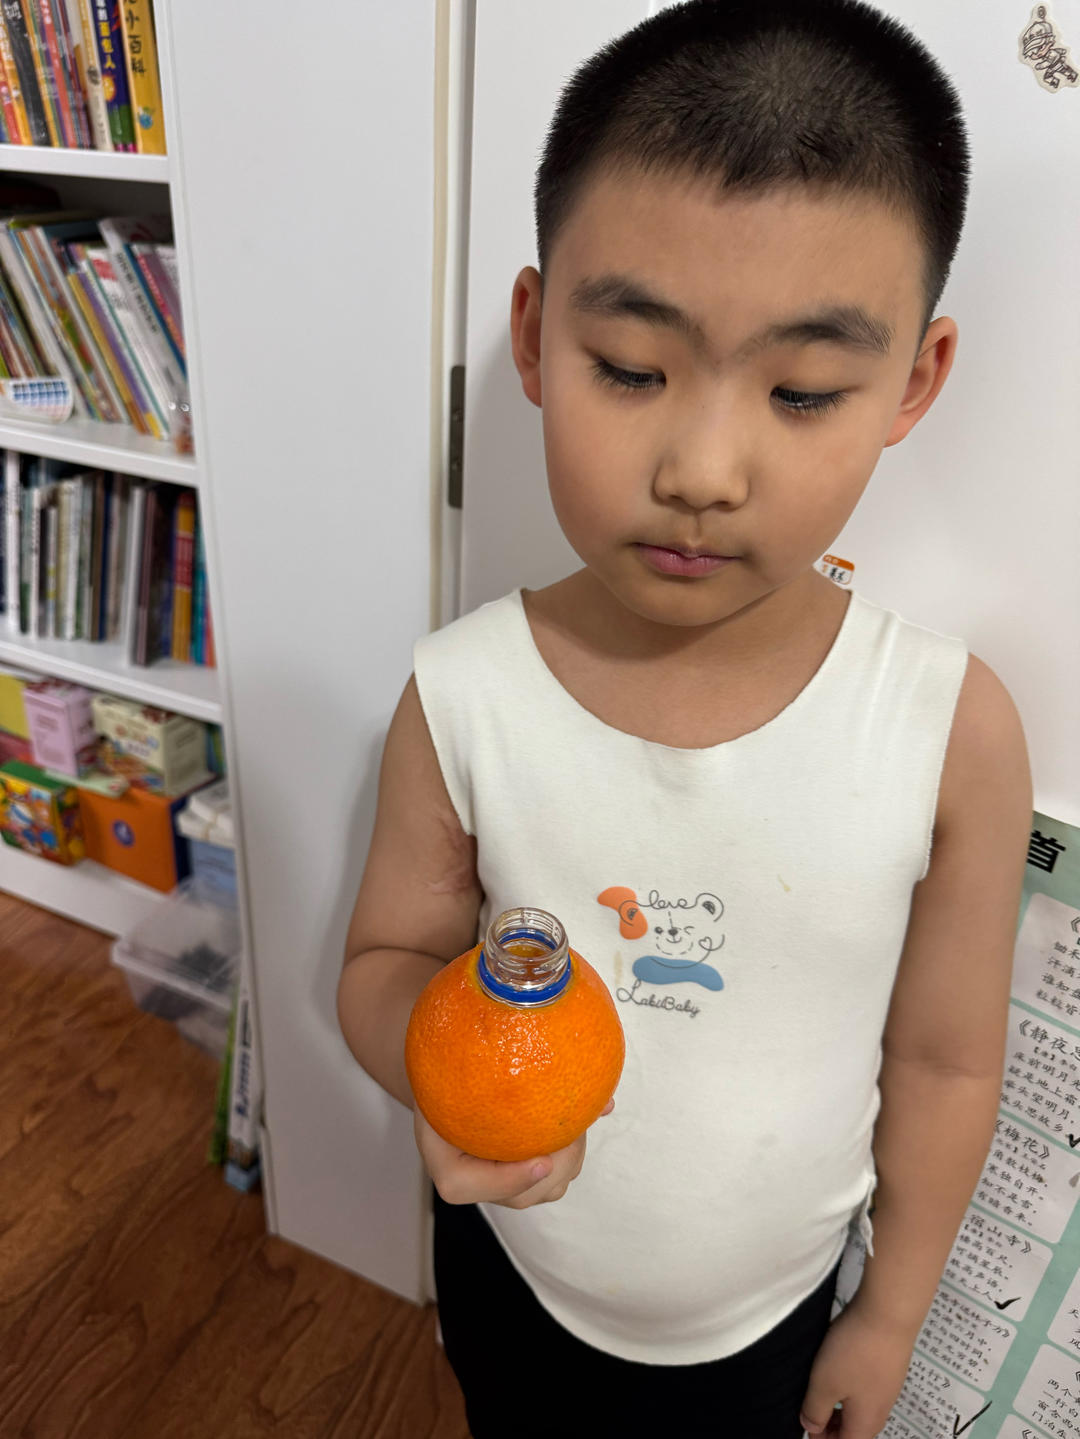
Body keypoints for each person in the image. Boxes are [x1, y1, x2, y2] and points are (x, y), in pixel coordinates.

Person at [337, 1, 1032, 1434]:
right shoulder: (463, 693)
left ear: (912, 383)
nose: (703, 470)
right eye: (633, 370)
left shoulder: (947, 729)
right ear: (535, 338)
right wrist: (441, 1073)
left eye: (804, 392)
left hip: (772, 1321)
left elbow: (948, 1058)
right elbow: (386, 963)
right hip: (510, 1269)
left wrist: (893, 1313)